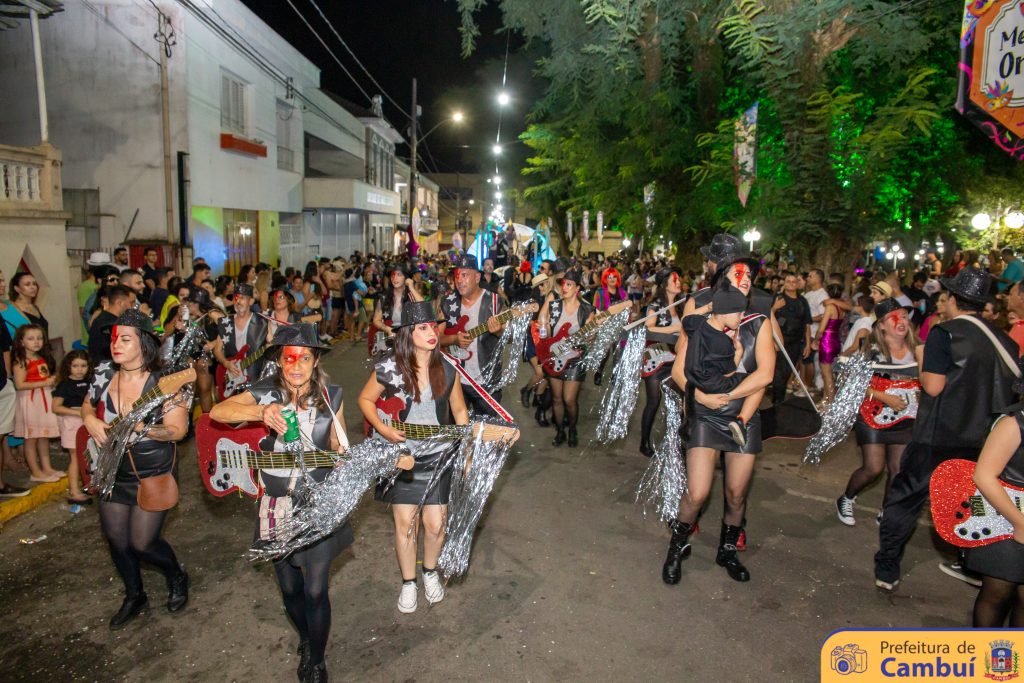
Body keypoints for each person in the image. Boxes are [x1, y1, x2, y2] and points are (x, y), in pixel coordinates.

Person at [210, 324, 349, 683]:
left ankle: (316, 660)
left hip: (317, 504)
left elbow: (338, 443)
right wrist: (262, 413)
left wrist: (344, 459)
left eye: (305, 358)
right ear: (279, 361)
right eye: (290, 358)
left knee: (315, 589)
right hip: (275, 506)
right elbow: (218, 412)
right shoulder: (264, 392)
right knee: (289, 588)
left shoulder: (331, 396)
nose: (297, 365)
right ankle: (306, 637)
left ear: (315, 361)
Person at [874, 268, 1019, 591]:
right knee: (970, 506)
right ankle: (975, 565)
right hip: (985, 441)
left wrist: (923, 359)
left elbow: (933, 386)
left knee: (905, 499)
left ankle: (887, 567)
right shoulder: (1005, 342)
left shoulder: (945, 334)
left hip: (939, 435)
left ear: (953, 299)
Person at [665, 244, 776, 585]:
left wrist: (727, 396)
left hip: (743, 415)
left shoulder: (758, 321)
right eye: (739, 272)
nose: (746, 279)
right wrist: (700, 396)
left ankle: (727, 551)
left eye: (750, 274)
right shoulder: (701, 318)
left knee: (736, 494)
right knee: (697, 492)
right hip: (705, 414)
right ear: (723, 276)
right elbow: (679, 370)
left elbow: (765, 374)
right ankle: (677, 546)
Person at [359, 301, 470, 613]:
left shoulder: (447, 368)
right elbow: (365, 399)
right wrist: (383, 428)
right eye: (422, 327)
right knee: (406, 525)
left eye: (433, 326)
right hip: (402, 457)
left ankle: (429, 571)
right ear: (408, 333)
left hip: (437, 457)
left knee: (436, 525)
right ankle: (408, 582)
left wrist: (466, 452)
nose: (431, 332)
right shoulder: (389, 368)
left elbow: (460, 411)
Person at [82, 309, 190, 629]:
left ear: (144, 344)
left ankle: (176, 575)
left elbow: (177, 431)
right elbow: (87, 403)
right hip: (111, 471)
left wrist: (144, 428)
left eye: (125, 339)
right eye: (114, 339)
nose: (116, 345)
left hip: (151, 472)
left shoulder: (166, 381)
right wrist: (89, 420)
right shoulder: (104, 372)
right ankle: (134, 594)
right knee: (117, 540)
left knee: (142, 543)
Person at [836, 299, 922, 526]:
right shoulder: (870, 350)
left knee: (898, 469)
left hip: (905, 417)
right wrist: (885, 397)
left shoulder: (919, 349)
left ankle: (887, 509)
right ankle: (846, 498)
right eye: (894, 318)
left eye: (904, 316)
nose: (901, 321)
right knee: (873, 468)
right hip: (872, 414)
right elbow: (852, 382)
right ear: (882, 325)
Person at [964, 400, 1024, 626]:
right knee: (998, 593)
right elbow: (983, 476)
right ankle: (988, 650)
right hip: (1003, 517)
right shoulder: (1014, 423)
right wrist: (1019, 523)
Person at [682, 283, 757, 447]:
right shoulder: (723, 342)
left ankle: (687, 424)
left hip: (692, 381)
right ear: (723, 313)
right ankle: (741, 421)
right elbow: (728, 373)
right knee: (757, 382)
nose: (741, 317)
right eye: (739, 313)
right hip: (714, 384)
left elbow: (686, 319)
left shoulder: (696, 324)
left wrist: (708, 307)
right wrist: (739, 352)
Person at [438, 254, 506, 416]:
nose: (459, 280)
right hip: (456, 380)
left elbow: (509, 336)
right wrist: (454, 339)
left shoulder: (494, 302)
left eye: (464, 275)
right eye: (457, 275)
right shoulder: (448, 302)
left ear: (477, 277)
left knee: (487, 427)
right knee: (458, 427)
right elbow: (435, 338)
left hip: (487, 381)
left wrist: (498, 330)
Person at [538, 268, 595, 447]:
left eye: (569, 285)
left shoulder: (587, 309)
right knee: (556, 398)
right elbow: (547, 332)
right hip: (555, 356)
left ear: (577, 288)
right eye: (563, 284)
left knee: (569, 399)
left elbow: (590, 338)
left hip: (575, 358)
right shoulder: (554, 306)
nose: (564, 287)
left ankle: (572, 429)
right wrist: (545, 329)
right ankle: (560, 431)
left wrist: (591, 334)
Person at [639, 267, 684, 456]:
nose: (679, 283)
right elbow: (648, 328)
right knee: (653, 401)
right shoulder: (655, 305)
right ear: (665, 284)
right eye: (675, 280)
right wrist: (677, 328)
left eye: (679, 279)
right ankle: (644, 442)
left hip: (675, 359)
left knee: (680, 400)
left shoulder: (683, 305)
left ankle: (677, 441)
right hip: (656, 359)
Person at [12, 323, 61, 482]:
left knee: (43, 436)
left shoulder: (40, 358)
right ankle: (35, 471)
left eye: (39, 338)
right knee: (31, 438)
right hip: (31, 401)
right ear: (21, 342)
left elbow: (44, 378)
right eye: (31, 338)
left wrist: (52, 381)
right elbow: (19, 385)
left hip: (43, 399)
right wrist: (44, 382)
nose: (36, 342)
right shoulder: (20, 361)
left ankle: (46, 467)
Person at [52, 350, 93, 504]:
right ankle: (74, 491)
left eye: (83, 365)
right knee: (75, 458)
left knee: (88, 456)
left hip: (88, 421)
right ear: (68, 366)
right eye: (75, 366)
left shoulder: (91, 382)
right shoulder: (65, 385)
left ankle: (88, 484)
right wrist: (79, 413)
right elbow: (56, 407)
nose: (79, 369)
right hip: (72, 422)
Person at [213, 284, 270, 394]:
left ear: (251, 301)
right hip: (233, 378)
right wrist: (226, 363)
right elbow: (217, 350)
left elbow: (272, 344)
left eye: (242, 298)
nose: (238, 301)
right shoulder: (225, 323)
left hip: (256, 377)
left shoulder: (263, 322)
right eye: (236, 298)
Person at [771, 273, 812, 403]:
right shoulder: (778, 298)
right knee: (778, 372)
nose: (791, 284)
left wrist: (808, 344)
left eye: (794, 281)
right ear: (784, 283)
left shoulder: (802, 301)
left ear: (798, 284)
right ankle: (777, 400)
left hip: (795, 342)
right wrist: (774, 308)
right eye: (788, 281)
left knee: (787, 372)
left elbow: (807, 323)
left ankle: (779, 399)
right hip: (779, 341)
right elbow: (767, 316)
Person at [369, 265, 422, 358]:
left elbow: (423, 308)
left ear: (406, 278)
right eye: (393, 275)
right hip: (391, 342)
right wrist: (387, 329)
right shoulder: (384, 298)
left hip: (410, 341)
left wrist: (411, 288)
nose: (395, 278)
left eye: (399, 275)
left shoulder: (411, 296)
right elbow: (376, 320)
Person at [591, 267, 628, 386]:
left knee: (618, 352)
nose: (612, 279)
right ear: (605, 279)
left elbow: (627, 309)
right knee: (605, 353)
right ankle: (598, 371)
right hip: (605, 327)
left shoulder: (623, 292)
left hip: (620, 327)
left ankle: (615, 375)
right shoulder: (600, 292)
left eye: (614, 276)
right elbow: (596, 311)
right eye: (609, 277)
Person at [811, 283, 846, 403]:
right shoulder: (841, 308)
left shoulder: (830, 307)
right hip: (836, 340)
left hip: (827, 341)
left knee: (827, 374)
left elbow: (821, 328)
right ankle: (825, 399)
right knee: (829, 373)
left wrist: (816, 340)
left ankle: (831, 403)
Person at [88, 285, 133, 364]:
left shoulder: (104, 319)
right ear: (120, 303)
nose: (131, 307)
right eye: (131, 302)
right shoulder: (109, 324)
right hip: (107, 367)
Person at [8, 272, 49, 339]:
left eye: (34, 284)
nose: (33, 287)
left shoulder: (35, 307)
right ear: (17, 288)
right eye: (27, 284)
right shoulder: (14, 309)